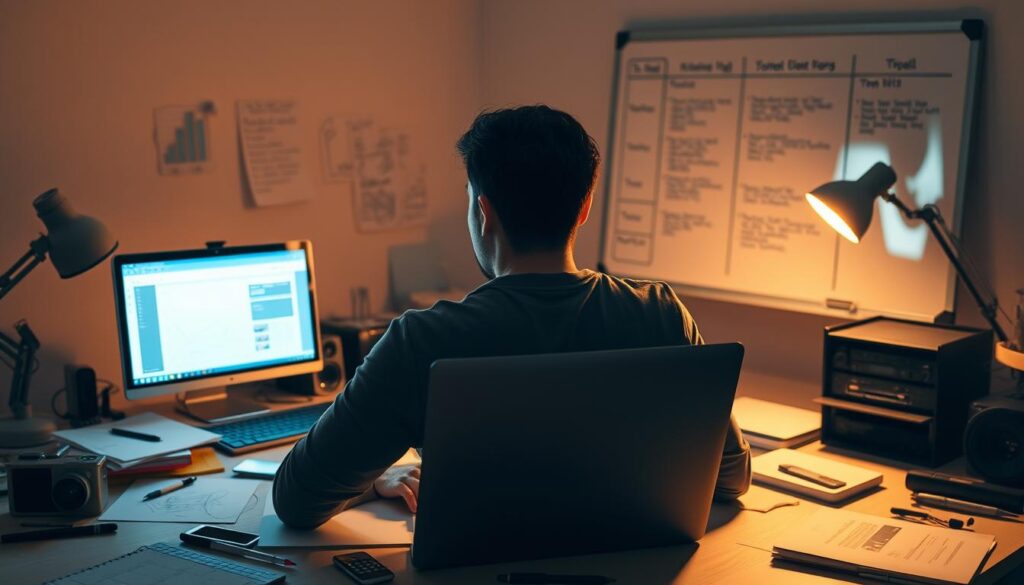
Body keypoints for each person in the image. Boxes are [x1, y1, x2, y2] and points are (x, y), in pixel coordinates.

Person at [273, 105, 751, 528]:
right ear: (584, 208)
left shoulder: (422, 340)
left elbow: (297, 502)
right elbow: (731, 477)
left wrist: (377, 478)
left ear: (484, 212)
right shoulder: (661, 315)